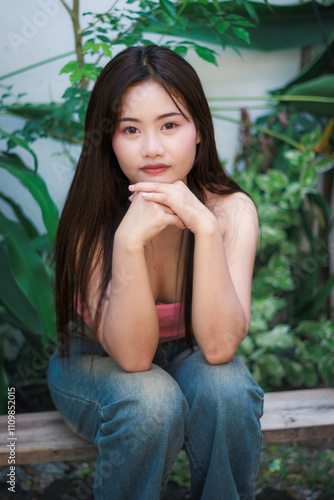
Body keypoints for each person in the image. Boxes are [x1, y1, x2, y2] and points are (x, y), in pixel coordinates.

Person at [47, 44, 264, 500]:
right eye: (130, 128)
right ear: (109, 139)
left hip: (189, 353)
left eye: (170, 125)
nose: (152, 148)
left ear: (199, 130)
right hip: (95, 361)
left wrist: (204, 227)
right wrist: (127, 242)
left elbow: (220, 346)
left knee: (226, 388)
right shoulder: (93, 216)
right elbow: (133, 359)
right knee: (151, 401)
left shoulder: (232, 212)